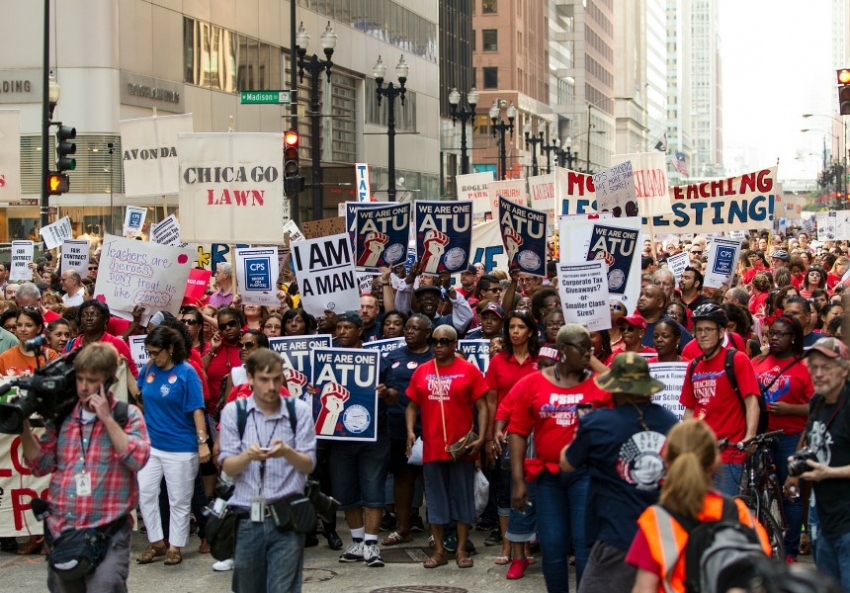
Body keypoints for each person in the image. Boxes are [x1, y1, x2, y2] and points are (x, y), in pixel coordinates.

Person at [21, 342, 151, 592]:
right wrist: (23, 427)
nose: (83, 387)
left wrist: (106, 418)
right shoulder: (63, 418)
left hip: (108, 528)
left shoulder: (128, 415)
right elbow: (40, 465)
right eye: (79, 379)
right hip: (64, 527)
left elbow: (138, 459)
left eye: (91, 380)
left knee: (106, 585)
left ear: (110, 380)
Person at [507, 324, 613, 592]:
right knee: (553, 547)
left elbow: (626, 395)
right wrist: (519, 481)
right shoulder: (532, 383)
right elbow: (517, 432)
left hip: (586, 476)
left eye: (591, 348)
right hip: (548, 478)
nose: (589, 353)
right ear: (563, 350)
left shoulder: (598, 385)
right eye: (583, 348)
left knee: (584, 544)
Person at [561, 353, 678, 592]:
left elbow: (567, 463)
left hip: (616, 536)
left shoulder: (597, 422)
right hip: (663, 535)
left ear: (614, 388)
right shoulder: (669, 421)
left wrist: (576, 437)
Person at [626, 420, 771, 593]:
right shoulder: (738, 512)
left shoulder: (656, 521)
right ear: (714, 462)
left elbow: (644, 588)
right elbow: (761, 566)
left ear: (668, 462)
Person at [219, 348, 317, 592]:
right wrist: (247, 457)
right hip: (248, 516)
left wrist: (287, 452)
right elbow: (228, 466)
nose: (271, 386)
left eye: (276, 378)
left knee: (283, 588)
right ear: (250, 379)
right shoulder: (234, 412)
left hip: (287, 515)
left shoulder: (299, 411)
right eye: (264, 379)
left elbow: (309, 464)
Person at [406, 324, 489, 570]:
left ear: (455, 345)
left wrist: (482, 437)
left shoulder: (469, 370)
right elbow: (411, 404)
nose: (439, 346)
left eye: (444, 341)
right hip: (432, 448)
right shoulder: (422, 371)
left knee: (463, 499)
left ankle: (462, 550)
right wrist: (410, 431)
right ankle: (440, 551)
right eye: (435, 341)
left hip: (460, 448)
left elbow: (483, 406)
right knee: (435, 501)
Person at [135, 326, 209, 567]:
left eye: (157, 352)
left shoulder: (187, 373)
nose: (153, 357)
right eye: (149, 352)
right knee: (146, 494)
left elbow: (197, 410)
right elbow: (138, 393)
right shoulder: (148, 368)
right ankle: (157, 542)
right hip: (152, 445)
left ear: (171, 348)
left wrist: (202, 443)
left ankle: (175, 546)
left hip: (181, 447)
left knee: (179, 500)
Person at [783, 337, 850, 590]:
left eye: (826, 367)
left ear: (844, 370)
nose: (818, 374)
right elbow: (815, 443)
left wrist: (829, 472)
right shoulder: (817, 402)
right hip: (824, 517)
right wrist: (799, 462)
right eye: (813, 368)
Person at [328, 311, 394, 568]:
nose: (342, 332)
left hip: (374, 437)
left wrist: (385, 391)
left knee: (373, 490)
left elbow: (396, 396)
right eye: (339, 328)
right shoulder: (328, 359)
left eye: (347, 328)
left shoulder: (378, 360)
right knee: (346, 493)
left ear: (359, 331)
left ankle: (371, 544)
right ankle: (356, 542)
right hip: (340, 438)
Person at [679, 303, 761, 496]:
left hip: (730, 452)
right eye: (698, 330)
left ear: (722, 331)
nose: (703, 334)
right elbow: (690, 410)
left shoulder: (737, 360)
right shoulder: (693, 366)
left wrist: (749, 436)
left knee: (725, 514)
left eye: (708, 329)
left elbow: (751, 402)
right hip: (701, 454)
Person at [752, 314, 813, 563]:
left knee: (791, 493)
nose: (773, 338)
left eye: (780, 334)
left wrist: (791, 410)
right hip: (761, 436)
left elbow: (817, 407)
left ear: (794, 338)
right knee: (757, 490)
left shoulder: (804, 368)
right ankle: (761, 544)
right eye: (770, 334)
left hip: (792, 437)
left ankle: (789, 551)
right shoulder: (756, 362)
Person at [485, 310, 541, 575]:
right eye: (511, 327)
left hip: (540, 431)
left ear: (530, 331)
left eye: (520, 327)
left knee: (534, 489)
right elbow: (494, 401)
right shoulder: (498, 360)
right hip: (509, 433)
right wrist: (493, 433)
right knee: (508, 487)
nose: (514, 332)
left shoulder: (541, 359)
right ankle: (509, 547)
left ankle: (527, 547)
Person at [380, 314, 433, 546]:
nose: (409, 332)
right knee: (402, 478)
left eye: (415, 329)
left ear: (428, 334)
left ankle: (436, 530)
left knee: (432, 479)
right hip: (398, 426)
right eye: (408, 328)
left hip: (430, 427)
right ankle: (403, 528)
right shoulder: (393, 356)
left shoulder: (435, 356)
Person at [0, 307, 58, 375]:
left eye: (28, 325)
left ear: (39, 328)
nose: (23, 329)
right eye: (19, 325)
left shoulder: (49, 356)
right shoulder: (4, 358)